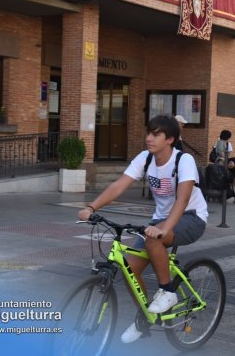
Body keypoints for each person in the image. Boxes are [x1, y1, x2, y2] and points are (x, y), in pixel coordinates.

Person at [78, 115, 207, 344]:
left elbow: (183, 200)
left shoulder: (183, 161)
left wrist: (164, 229)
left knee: (154, 240)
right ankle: (145, 318)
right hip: (160, 220)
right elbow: (119, 185)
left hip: (191, 217)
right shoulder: (146, 159)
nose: (149, 138)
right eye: (148, 133)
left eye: (156, 134)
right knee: (129, 268)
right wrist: (91, 207)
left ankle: (167, 291)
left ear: (170, 139)